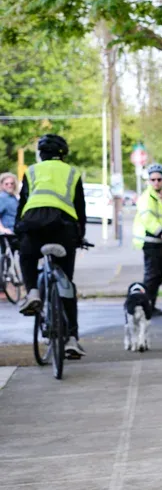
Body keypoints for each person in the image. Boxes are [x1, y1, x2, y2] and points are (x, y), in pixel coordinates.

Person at [14, 134, 89, 358]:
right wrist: (80, 236)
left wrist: (19, 232)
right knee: (66, 282)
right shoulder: (72, 173)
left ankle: (33, 293)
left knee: (27, 256)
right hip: (63, 228)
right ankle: (72, 339)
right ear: (63, 154)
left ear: (41, 154)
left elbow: (23, 204)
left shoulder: (32, 171)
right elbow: (80, 207)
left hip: (34, 224)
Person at [132, 163, 162, 317]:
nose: (156, 182)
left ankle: (151, 305)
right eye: (153, 180)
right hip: (150, 240)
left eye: (159, 179)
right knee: (151, 276)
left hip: (161, 241)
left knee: (158, 276)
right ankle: (144, 306)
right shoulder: (146, 197)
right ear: (148, 181)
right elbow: (147, 218)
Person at [0, 171, 19, 262]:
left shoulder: (13, 197)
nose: (9, 186)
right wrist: (2, 229)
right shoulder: (2, 197)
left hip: (13, 232)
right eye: (6, 184)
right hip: (6, 234)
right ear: (2, 185)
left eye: (11, 183)